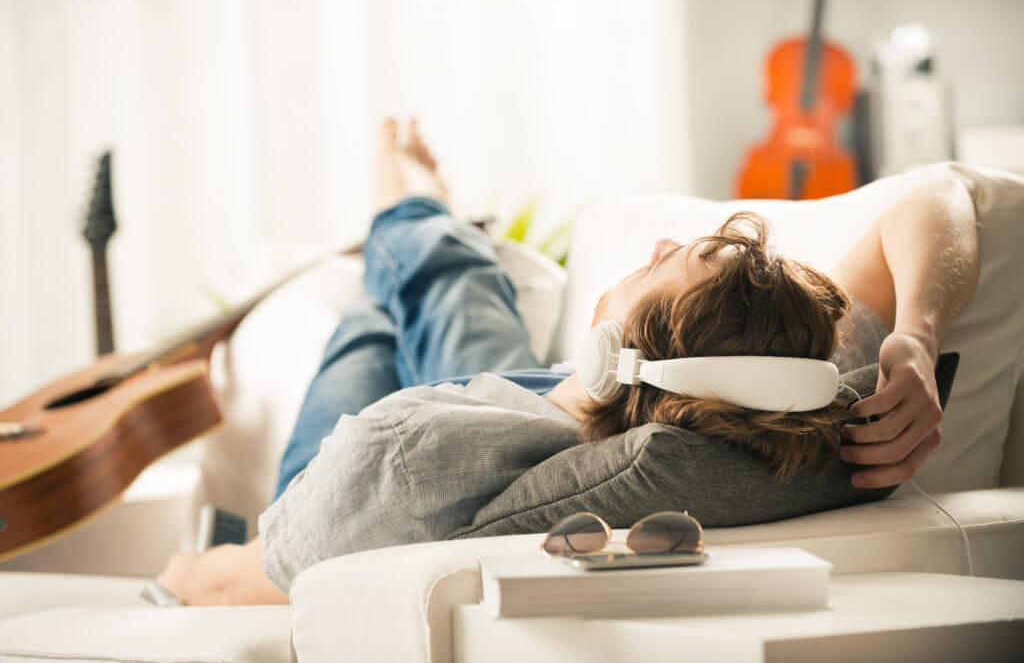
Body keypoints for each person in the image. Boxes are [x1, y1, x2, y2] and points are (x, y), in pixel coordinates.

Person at [157, 118, 987, 606]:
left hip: (412, 460)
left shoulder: (404, 458)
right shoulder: (775, 400)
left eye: (659, 264)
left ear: (612, 355)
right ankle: (415, 224)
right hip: (538, 405)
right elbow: (938, 196)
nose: (654, 245)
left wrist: (177, 569)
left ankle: (404, 208)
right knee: (448, 292)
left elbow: (234, 583)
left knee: (374, 322)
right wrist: (911, 334)